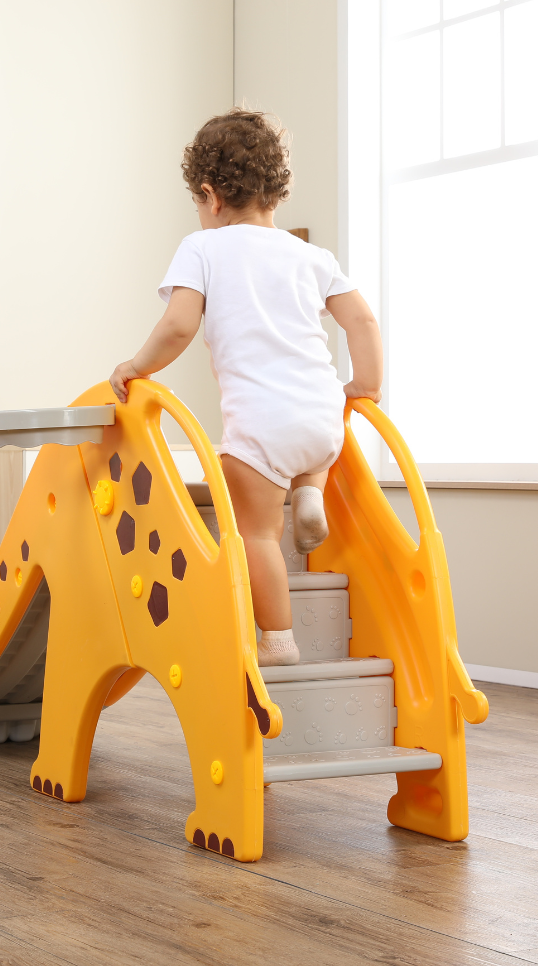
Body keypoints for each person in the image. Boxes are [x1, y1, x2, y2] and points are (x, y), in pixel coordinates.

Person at [110, 108, 382, 666]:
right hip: (324, 416)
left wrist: (138, 366)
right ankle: (309, 490)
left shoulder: (202, 248)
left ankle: (278, 640)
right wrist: (366, 386)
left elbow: (180, 325)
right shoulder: (312, 256)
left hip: (262, 424)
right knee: (308, 439)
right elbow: (363, 322)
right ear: (275, 193)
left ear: (209, 195)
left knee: (258, 534)